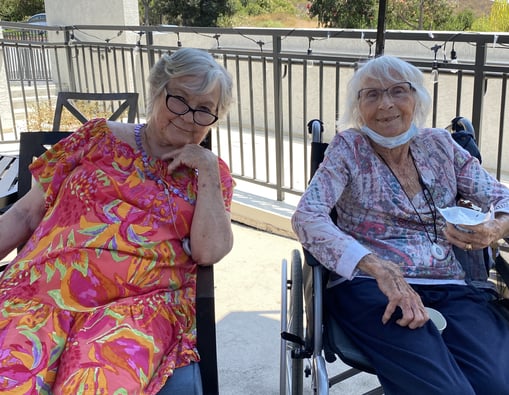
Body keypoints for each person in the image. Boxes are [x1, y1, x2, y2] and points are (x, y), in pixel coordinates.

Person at [0, 47, 234, 395]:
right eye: (179, 100)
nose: (188, 117)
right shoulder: (96, 136)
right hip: (39, 291)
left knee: (94, 387)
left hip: (134, 310)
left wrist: (208, 170)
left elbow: (209, 252)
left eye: (204, 110)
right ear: (157, 92)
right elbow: (25, 212)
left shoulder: (209, 175)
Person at [292, 55, 509, 394]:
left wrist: (494, 229)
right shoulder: (348, 148)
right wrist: (379, 268)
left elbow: (503, 197)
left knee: (498, 384)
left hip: (451, 285)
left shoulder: (441, 144)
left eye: (398, 91)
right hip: (370, 288)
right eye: (372, 95)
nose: (386, 105)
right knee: (447, 390)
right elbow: (307, 216)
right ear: (358, 107)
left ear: (416, 99)